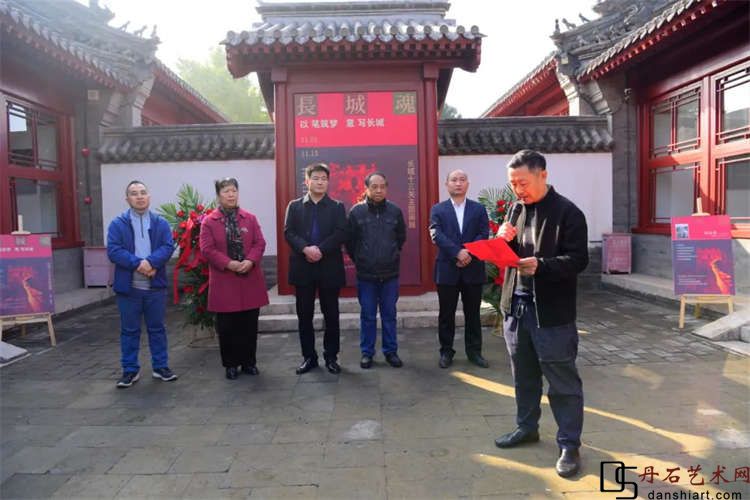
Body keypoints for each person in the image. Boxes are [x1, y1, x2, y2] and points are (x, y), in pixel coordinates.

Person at [494, 149, 589, 478]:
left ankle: (569, 444)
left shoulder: (568, 213)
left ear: (543, 175)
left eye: (523, 183)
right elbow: (508, 256)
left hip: (551, 313)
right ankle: (527, 428)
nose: (517, 190)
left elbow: (579, 260)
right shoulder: (516, 209)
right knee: (523, 375)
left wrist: (543, 266)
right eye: (513, 184)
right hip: (516, 307)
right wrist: (501, 241)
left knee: (562, 381)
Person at [107, 180, 177, 388]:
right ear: (127, 199)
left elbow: (167, 246)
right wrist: (139, 264)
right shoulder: (117, 224)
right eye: (134, 193)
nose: (139, 196)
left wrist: (151, 262)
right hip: (129, 289)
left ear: (149, 197)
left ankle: (160, 367)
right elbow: (114, 250)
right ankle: (130, 370)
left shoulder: (160, 223)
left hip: (155, 287)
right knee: (129, 331)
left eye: (143, 192)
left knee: (157, 329)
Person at [200, 177, 269, 380]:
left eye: (233, 190)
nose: (231, 195)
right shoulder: (209, 222)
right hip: (225, 280)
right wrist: (229, 263)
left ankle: (249, 362)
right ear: (218, 195)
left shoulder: (250, 218)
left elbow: (259, 243)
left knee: (249, 324)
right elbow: (207, 249)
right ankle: (230, 364)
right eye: (226, 191)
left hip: (249, 278)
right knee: (227, 326)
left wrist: (250, 260)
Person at [284, 163, 347, 375]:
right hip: (303, 268)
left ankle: (331, 357)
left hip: (329, 266)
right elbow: (289, 232)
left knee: (332, 315)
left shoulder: (337, 207)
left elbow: (341, 233)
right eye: (316, 178)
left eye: (324, 179)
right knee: (304, 315)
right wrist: (305, 249)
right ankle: (309, 357)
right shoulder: (294, 206)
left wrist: (320, 250)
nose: (320, 182)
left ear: (328, 182)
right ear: (307, 181)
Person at [429, 169, 490, 369]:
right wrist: (457, 252)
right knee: (446, 315)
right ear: (446, 184)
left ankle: (475, 352)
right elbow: (436, 234)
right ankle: (446, 352)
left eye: (462, 179)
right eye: (454, 180)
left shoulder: (478, 209)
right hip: (447, 268)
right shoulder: (438, 209)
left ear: (467, 184)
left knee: (473, 314)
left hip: (473, 268)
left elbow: (483, 233)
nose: (458, 183)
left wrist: (468, 253)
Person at [346, 172, 406, 369]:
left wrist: (391, 255)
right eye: (374, 187)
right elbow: (350, 242)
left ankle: (391, 352)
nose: (378, 190)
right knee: (368, 315)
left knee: (389, 315)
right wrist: (362, 259)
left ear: (386, 188)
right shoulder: (356, 212)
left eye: (382, 186)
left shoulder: (395, 211)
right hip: (366, 276)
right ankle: (367, 353)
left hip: (390, 274)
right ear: (366, 188)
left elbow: (401, 238)